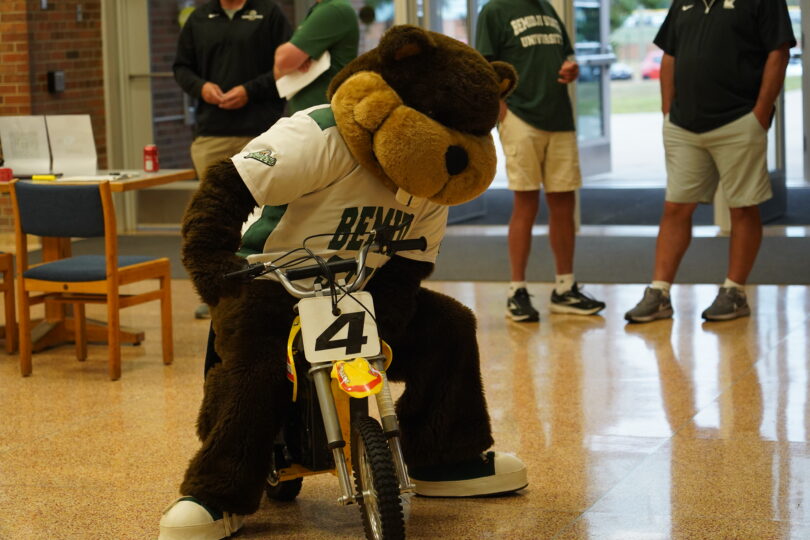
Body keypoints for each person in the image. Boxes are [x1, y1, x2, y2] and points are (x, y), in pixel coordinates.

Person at [624, 0, 796, 324]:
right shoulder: (684, 2)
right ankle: (659, 292)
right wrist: (666, 112)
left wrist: (760, 114)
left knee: (742, 207)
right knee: (675, 207)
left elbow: (779, 52)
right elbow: (670, 55)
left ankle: (734, 291)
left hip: (738, 121)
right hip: (683, 124)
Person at [475, 0, 605, 323]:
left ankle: (565, 288)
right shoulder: (494, 10)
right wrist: (499, 106)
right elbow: (482, 65)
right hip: (520, 116)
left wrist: (571, 68)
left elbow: (567, 56)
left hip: (558, 115)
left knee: (564, 202)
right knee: (526, 201)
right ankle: (516, 290)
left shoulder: (547, 8)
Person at [173, 0, 292, 319]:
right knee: (215, 218)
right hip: (212, 131)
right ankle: (218, 294)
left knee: (266, 215)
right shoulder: (199, 17)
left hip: (262, 131)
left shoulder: (269, 14)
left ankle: (267, 291)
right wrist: (202, 88)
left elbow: (288, 69)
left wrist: (250, 90)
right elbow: (181, 68)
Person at [272, 0, 359, 114]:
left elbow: (283, 60)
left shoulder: (333, 9)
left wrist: (289, 59)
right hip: (312, 117)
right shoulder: (319, 9)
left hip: (322, 118)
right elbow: (278, 73)